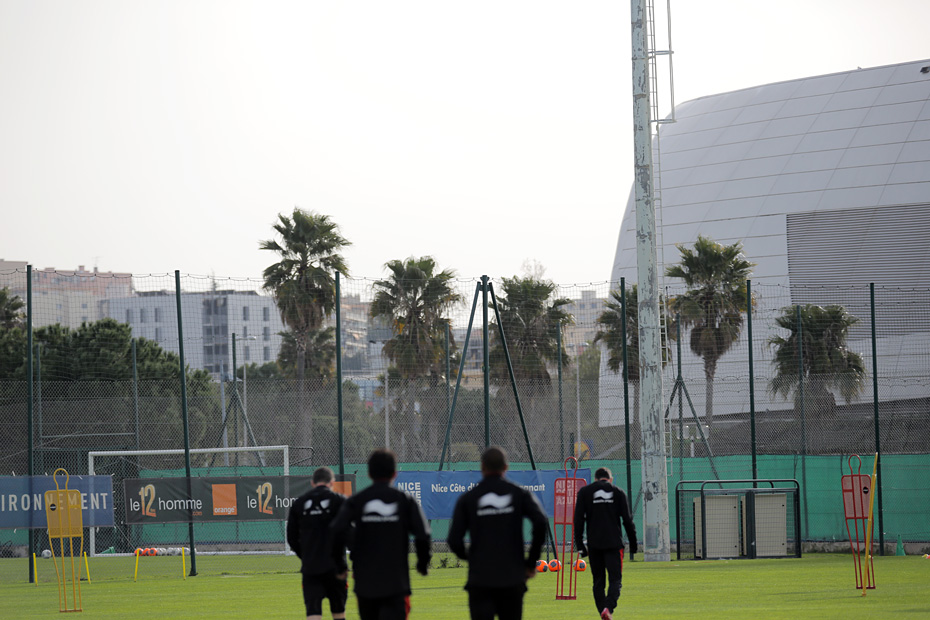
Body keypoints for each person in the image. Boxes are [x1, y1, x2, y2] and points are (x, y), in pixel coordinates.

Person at [448, 446, 549, 620]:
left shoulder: (469, 498)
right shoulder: (519, 494)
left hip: (481, 579)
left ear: (482, 467)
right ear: (506, 467)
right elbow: (541, 522)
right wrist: (530, 562)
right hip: (512, 578)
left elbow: (454, 540)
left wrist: (472, 557)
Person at [330, 449, 431, 620]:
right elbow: (423, 534)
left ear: (369, 473)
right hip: (396, 583)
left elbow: (336, 530)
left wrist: (340, 566)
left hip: (365, 584)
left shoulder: (357, 500)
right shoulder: (404, 500)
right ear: (394, 473)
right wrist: (422, 563)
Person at [573, 467, 637, 620]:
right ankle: (608, 609)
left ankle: (603, 610)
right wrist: (633, 544)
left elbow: (578, 520)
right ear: (611, 479)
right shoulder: (618, 492)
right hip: (614, 544)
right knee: (615, 580)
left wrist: (580, 545)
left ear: (595, 479)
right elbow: (627, 521)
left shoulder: (585, 492)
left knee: (598, 582)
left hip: (594, 545)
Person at [286, 466, 350, 620]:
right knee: (339, 612)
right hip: (336, 568)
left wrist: (306, 556)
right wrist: (343, 565)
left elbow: (292, 538)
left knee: (313, 613)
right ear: (332, 483)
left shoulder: (299, 504)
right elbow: (348, 534)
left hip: (311, 568)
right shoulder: (340, 501)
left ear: (312, 483)